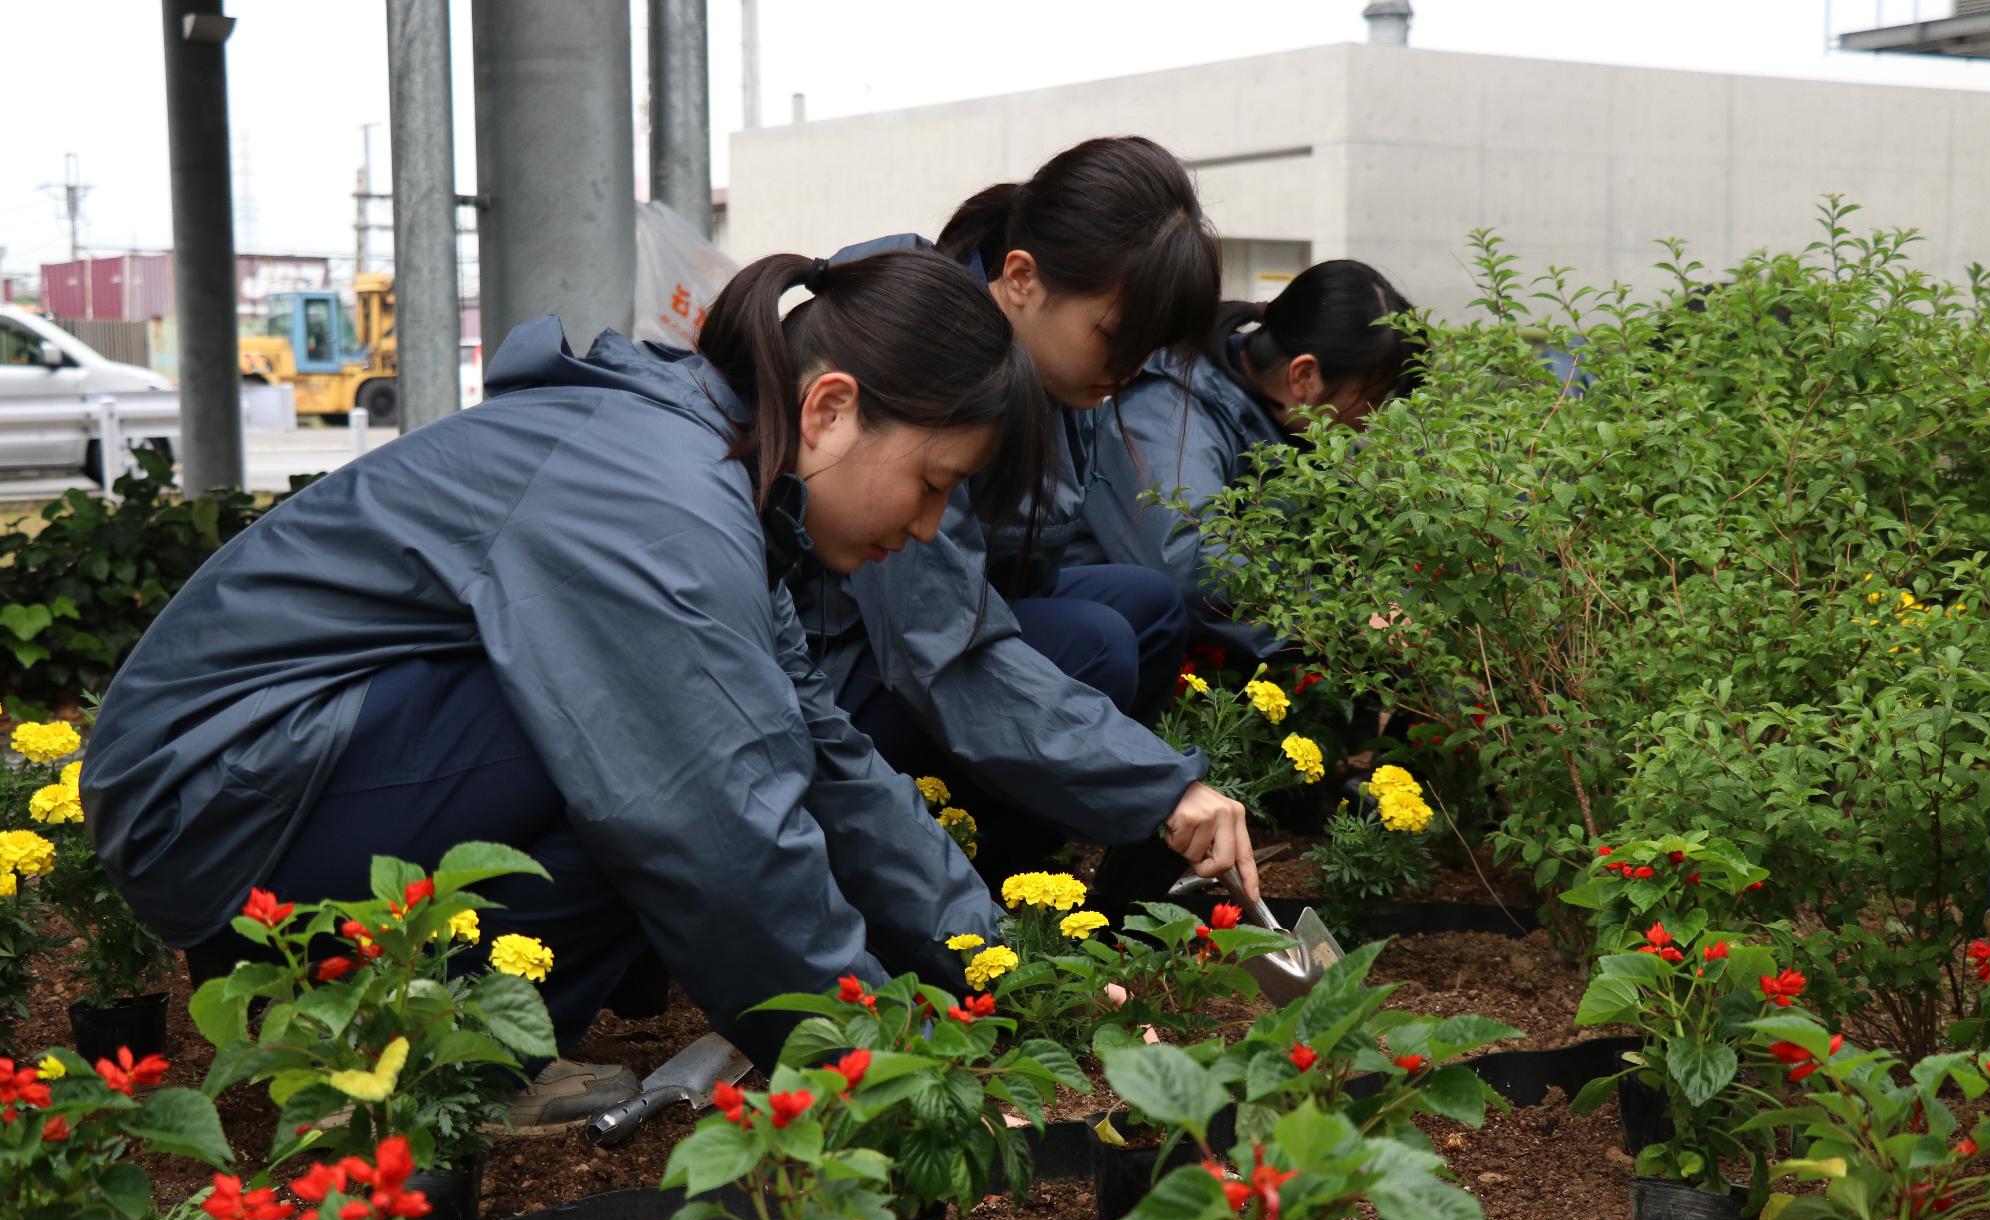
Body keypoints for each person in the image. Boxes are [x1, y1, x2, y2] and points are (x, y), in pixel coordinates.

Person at [80, 248, 1050, 1123]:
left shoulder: (715, 480)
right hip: (209, 800)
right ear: (830, 408)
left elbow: (827, 754)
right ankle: (393, 1069)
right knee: (664, 774)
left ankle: (442, 1055)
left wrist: (1000, 968)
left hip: (279, 784)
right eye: (932, 482)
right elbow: (719, 836)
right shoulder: (663, 498)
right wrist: (876, 1072)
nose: (928, 528)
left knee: (711, 746)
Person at [789, 136, 1262, 901]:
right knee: (1096, 642)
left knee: (1143, 606)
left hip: (910, 638)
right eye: (1114, 336)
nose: (1126, 372)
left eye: (1146, 351)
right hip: (841, 665)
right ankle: (994, 886)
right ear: (1022, 279)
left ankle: (1054, 879)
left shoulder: (1045, 370)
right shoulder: (928, 361)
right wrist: (1159, 786)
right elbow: (938, 638)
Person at [1070, 259, 1422, 667]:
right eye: (1372, 402)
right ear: (1304, 376)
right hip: (1109, 660)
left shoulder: (1295, 424)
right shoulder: (1166, 417)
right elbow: (1188, 565)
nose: (1372, 423)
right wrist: (1352, 616)